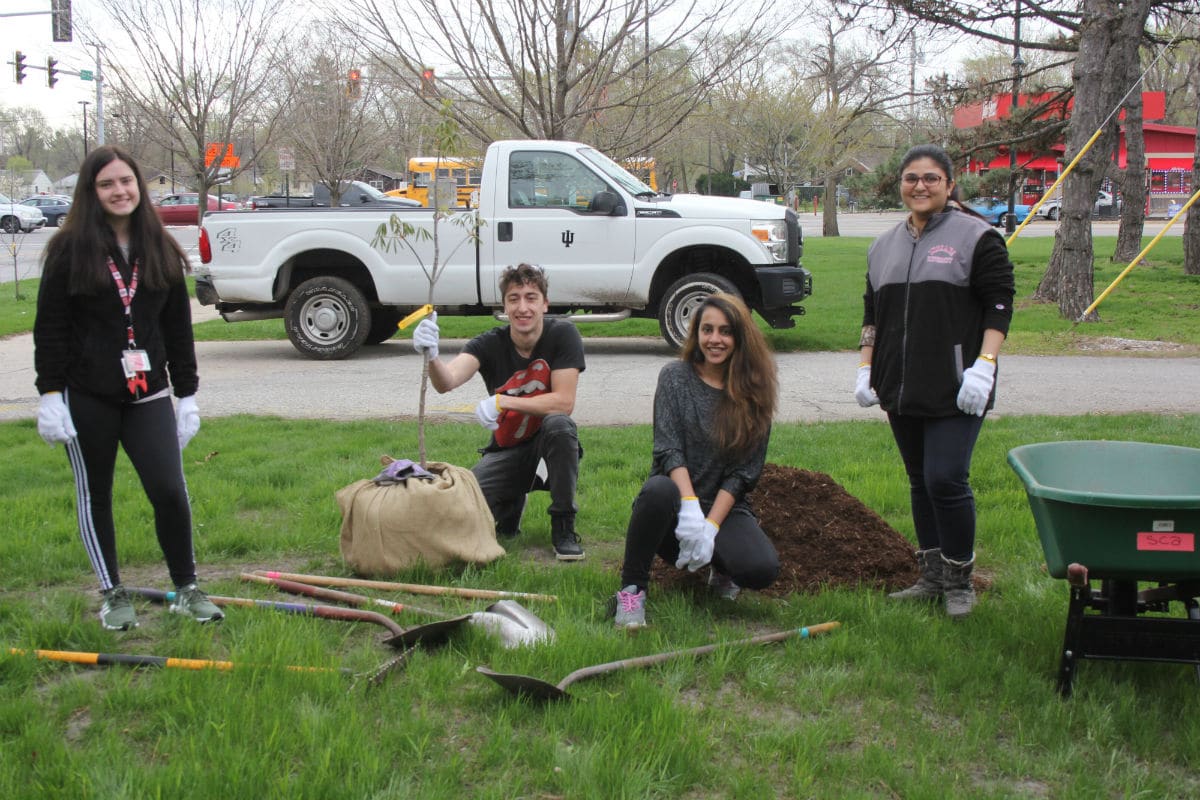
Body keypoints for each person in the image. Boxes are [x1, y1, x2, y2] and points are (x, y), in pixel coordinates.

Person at [33, 145, 223, 631]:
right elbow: (50, 328)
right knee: (95, 493)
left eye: (126, 182)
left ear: (139, 186)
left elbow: (178, 330)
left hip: (150, 393)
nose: (119, 191)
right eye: (107, 184)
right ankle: (112, 592)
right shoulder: (68, 249)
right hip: (87, 395)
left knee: (168, 489)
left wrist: (188, 395)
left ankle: (187, 588)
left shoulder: (159, 247)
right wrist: (50, 395)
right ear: (91, 192)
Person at [854, 143, 1015, 619]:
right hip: (899, 385)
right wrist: (866, 366)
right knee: (920, 481)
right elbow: (872, 315)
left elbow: (1000, 305)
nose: (920, 186)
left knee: (946, 478)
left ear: (948, 184)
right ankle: (930, 576)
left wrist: (984, 366)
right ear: (900, 184)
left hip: (957, 385)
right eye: (911, 178)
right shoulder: (882, 246)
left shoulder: (978, 237)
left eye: (930, 178)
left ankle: (959, 579)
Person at [612, 293, 779, 629]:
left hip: (723, 507)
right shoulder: (675, 377)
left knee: (761, 568)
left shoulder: (754, 392)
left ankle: (723, 570)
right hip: (672, 507)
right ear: (696, 333)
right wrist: (689, 508)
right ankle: (632, 592)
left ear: (740, 337)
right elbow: (668, 449)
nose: (715, 339)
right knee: (657, 491)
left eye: (725, 331)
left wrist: (710, 527)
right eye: (707, 330)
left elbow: (743, 473)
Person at [412, 263, 587, 561]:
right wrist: (432, 356)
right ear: (504, 306)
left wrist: (503, 401)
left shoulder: (563, 334)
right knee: (466, 508)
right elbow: (446, 382)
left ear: (545, 304)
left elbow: (563, 402)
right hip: (506, 449)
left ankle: (563, 526)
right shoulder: (488, 343)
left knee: (559, 425)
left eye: (531, 297)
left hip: (549, 446)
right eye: (514, 298)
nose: (523, 307)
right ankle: (511, 504)